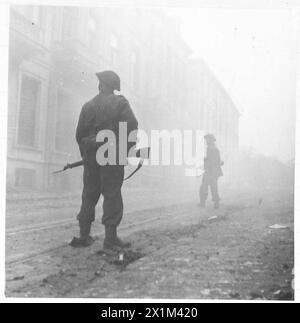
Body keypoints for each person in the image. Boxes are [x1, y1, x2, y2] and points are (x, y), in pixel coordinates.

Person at [70, 70, 138, 252]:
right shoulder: (121, 103)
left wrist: (87, 155)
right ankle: (110, 238)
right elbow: (131, 127)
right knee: (112, 195)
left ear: (101, 85)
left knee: (89, 195)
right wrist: (123, 152)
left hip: (92, 157)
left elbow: (80, 135)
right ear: (114, 87)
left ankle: (84, 236)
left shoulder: (88, 106)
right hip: (112, 156)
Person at [199, 134, 224, 209]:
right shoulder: (213, 148)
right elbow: (217, 160)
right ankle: (215, 204)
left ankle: (203, 203)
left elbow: (212, 161)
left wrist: (206, 161)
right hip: (213, 171)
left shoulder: (211, 148)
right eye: (206, 140)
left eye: (207, 140)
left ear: (211, 140)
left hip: (211, 171)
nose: (206, 141)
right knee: (213, 187)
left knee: (205, 187)